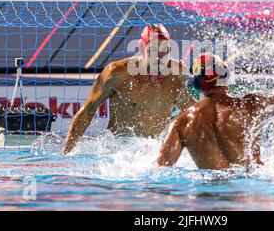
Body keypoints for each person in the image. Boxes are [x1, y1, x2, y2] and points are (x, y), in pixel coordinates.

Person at [156, 38, 274, 169]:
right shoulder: (251, 105)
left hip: (209, 196)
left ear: (196, 84)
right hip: (251, 190)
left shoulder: (182, 123)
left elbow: (160, 170)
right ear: (225, 77)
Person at [63, 24, 196, 154]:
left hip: (155, 149)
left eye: (165, 50)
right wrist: (67, 152)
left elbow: (190, 109)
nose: (160, 57)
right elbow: (88, 110)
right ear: (142, 48)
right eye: (153, 50)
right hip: (118, 152)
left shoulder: (178, 73)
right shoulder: (117, 73)